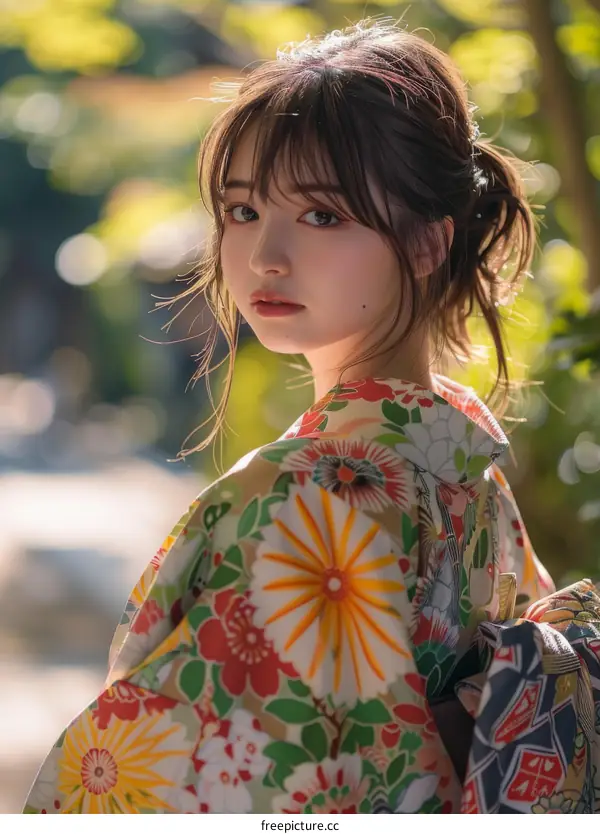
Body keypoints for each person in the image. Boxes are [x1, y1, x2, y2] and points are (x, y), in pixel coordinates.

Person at [23, 17, 600, 815]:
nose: (265, 256)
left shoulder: (303, 493)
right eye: (242, 210)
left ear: (429, 243)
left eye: (323, 215)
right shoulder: (471, 477)